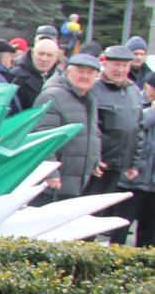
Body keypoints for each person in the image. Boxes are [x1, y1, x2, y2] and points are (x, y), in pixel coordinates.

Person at [34, 53, 103, 203]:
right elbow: (43, 137)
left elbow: (93, 132)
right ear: (68, 72)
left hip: (77, 179)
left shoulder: (90, 98)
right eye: (80, 71)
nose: (85, 76)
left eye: (90, 72)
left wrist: (95, 160)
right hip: (55, 182)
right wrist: (50, 172)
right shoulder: (52, 96)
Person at [88, 44, 142, 198]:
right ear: (105, 64)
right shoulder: (94, 89)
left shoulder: (133, 91)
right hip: (99, 165)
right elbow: (91, 130)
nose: (120, 70)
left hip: (119, 166)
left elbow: (138, 129)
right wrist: (94, 159)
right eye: (116, 65)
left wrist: (133, 163)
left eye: (124, 65)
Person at [118, 79, 155, 245]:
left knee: (149, 232)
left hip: (152, 183)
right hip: (133, 178)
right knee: (121, 226)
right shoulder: (136, 101)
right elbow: (133, 126)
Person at [10, 36, 60, 114]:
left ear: (56, 58)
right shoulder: (17, 76)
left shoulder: (60, 78)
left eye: (49, 55)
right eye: (41, 54)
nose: (44, 59)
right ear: (33, 53)